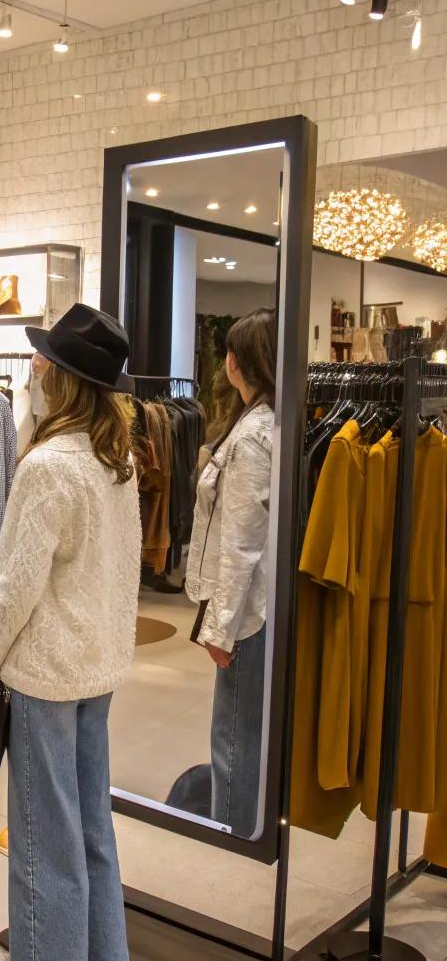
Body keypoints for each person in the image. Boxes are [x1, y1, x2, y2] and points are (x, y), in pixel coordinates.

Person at [0, 304, 142, 961]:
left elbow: (13, 587)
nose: (34, 371)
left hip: (47, 670)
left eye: (44, 362)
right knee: (91, 830)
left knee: (45, 840)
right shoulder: (118, 459)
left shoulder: (48, 467)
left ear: (65, 380)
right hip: (96, 665)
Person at [185, 309, 276, 838]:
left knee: (234, 737)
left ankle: (233, 842)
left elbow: (242, 544)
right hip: (250, 609)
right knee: (239, 733)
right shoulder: (259, 424)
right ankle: (235, 829)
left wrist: (219, 630)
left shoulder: (251, 438)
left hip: (247, 617)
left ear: (237, 362)